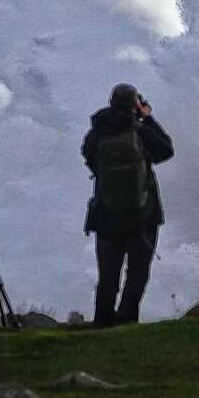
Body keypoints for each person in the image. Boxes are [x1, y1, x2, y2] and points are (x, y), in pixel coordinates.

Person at [81, 83, 174, 326]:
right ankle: (126, 320)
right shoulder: (141, 131)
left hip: (105, 215)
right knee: (137, 272)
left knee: (108, 275)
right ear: (136, 103)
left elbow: (88, 157)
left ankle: (102, 321)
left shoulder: (97, 133)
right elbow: (166, 150)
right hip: (142, 216)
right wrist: (148, 118)